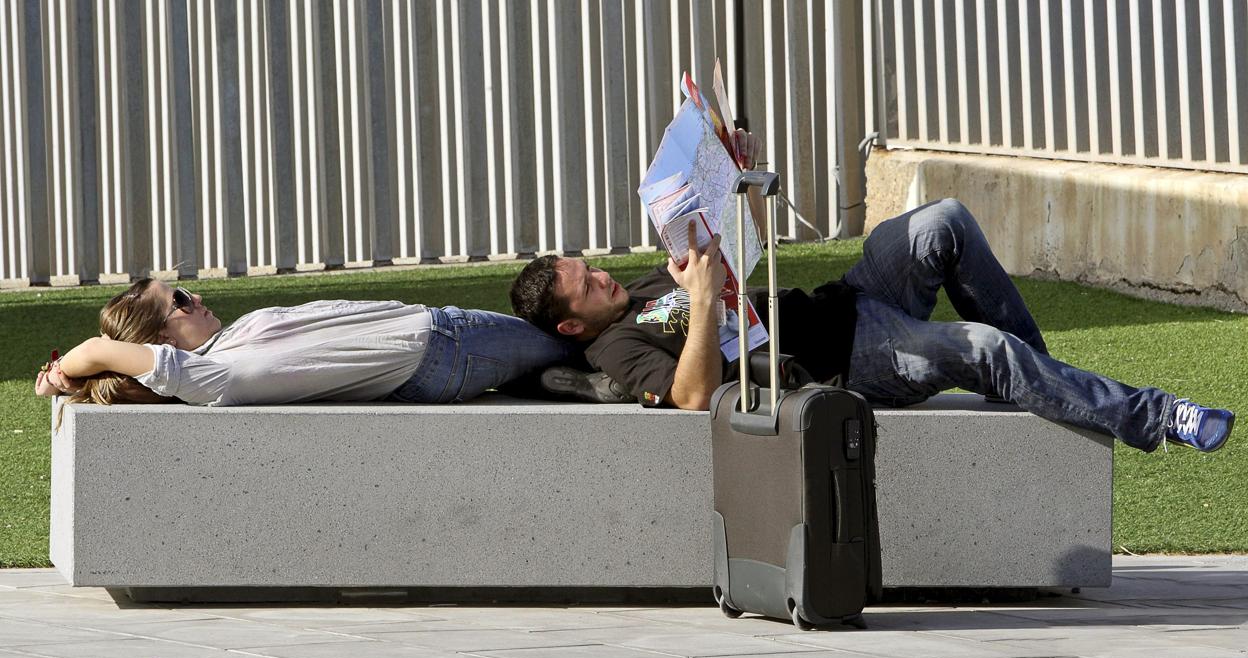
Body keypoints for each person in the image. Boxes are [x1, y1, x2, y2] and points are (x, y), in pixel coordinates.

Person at [509, 171, 1235, 454]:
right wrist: (700, 302)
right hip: (848, 361)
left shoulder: (636, 289)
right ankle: (1154, 414)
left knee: (942, 218)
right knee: (983, 346)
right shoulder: (613, 353)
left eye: (591, 267)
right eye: (587, 285)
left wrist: (737, 176)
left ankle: (1038, 379)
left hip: (848, 301)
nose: (603, 277)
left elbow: (737, 251)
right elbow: (694, 394)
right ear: (572, 325)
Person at [35, 279, 573, 409]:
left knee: (563, 349)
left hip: (444, 347)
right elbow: (98, 349)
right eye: (178, 299)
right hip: (448, 344)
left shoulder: (222, 354)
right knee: (587, 328)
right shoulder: (209, 376)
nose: (196, 298)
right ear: (158, 340)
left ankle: (575, 381)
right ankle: (658, 313)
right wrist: (69, 370)